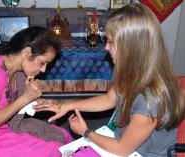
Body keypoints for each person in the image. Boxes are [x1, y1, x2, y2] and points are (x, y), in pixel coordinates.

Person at [34, 4, 185, 157]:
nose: (106, 47)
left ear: (131, 47)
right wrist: (66, 106)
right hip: (124, 141)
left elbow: (122, 149)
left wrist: (86, 132)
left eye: (111, 42)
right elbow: (110, 98)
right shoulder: (132, 72)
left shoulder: (150, 99)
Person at [0, 26, 72, 157]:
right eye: (42, 63)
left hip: (1, 129)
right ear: (27, 52)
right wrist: (26, 98)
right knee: (55, 150)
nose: (43, 70)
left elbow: (11, 104)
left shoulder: (16, 72)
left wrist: (36, 102)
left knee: (64, 137)